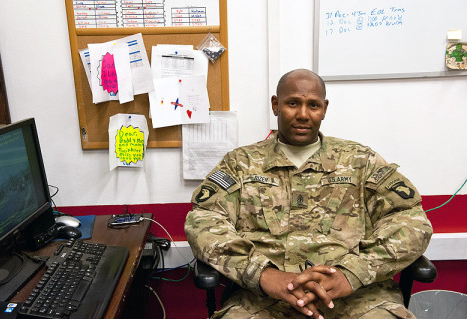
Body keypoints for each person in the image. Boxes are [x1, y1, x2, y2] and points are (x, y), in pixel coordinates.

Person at [184, 69, 432, 319]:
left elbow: (411, 222)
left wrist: (354, 272)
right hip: (264, 299)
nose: (303, 115)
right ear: (275, 105)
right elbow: (203, 221)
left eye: (313, 105)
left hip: (357, 296)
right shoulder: (240, 163)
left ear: (324, 109)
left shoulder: (360, 161)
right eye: (293, 103)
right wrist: (262, 274)